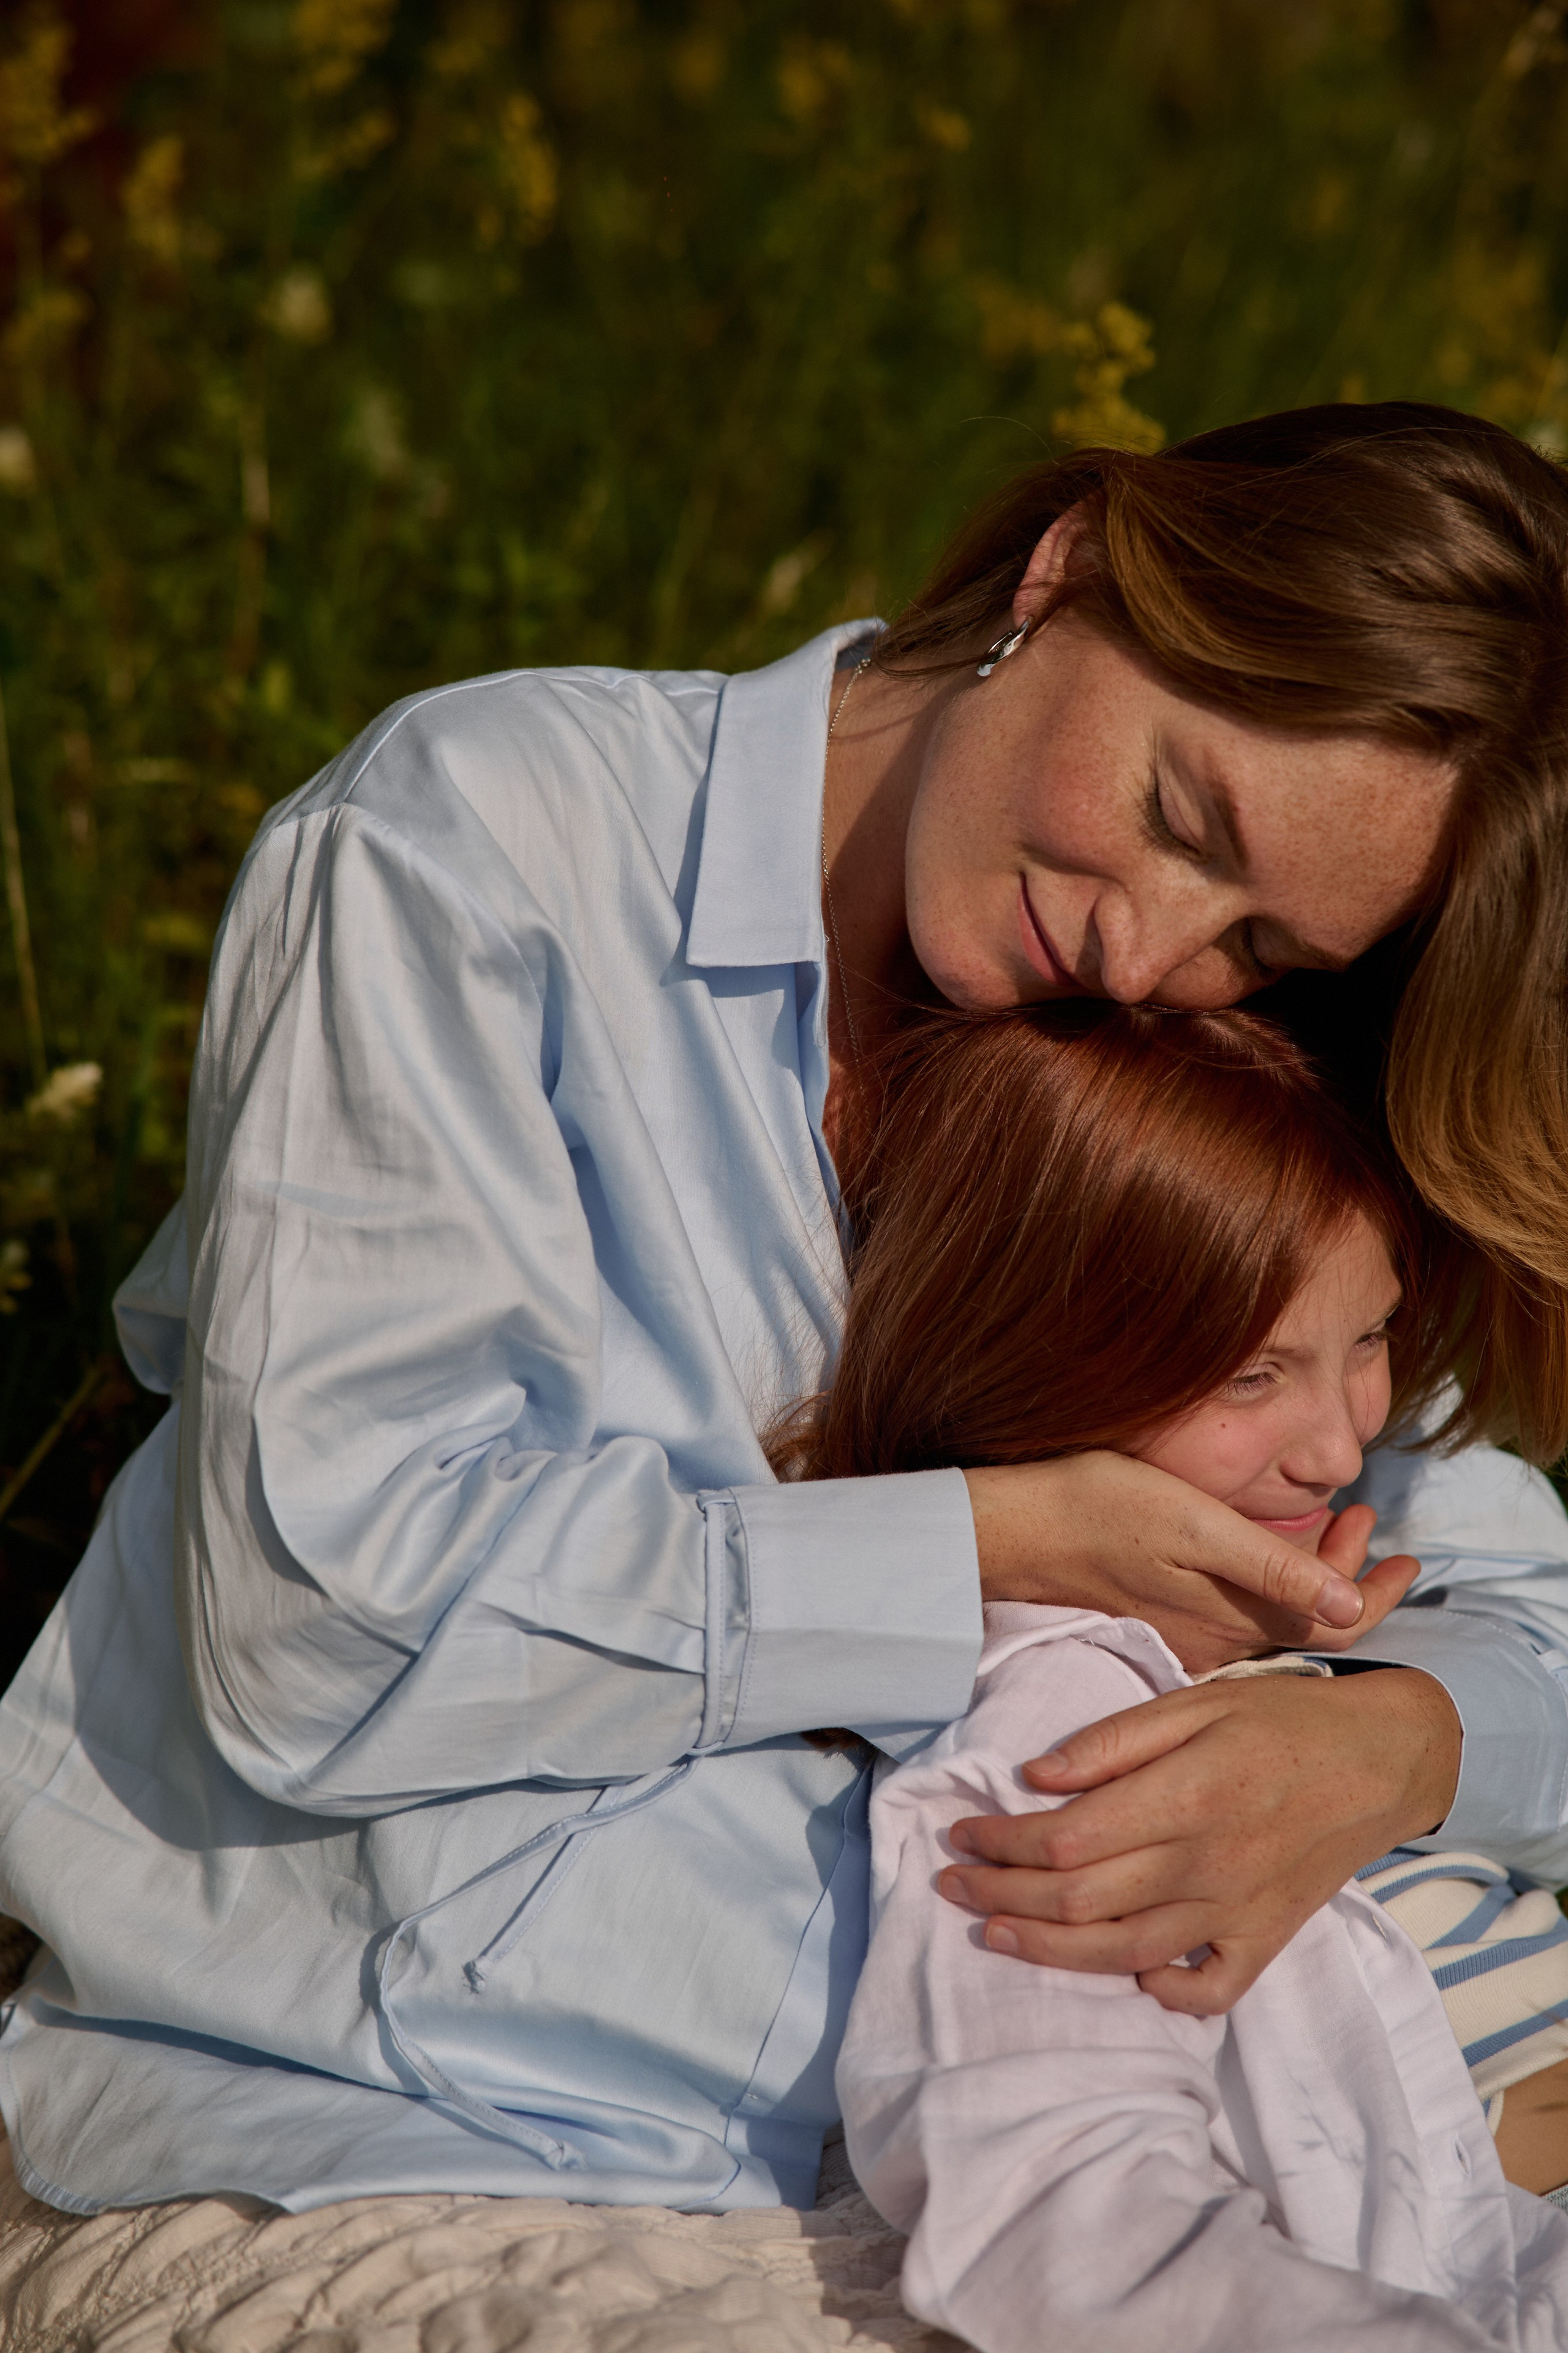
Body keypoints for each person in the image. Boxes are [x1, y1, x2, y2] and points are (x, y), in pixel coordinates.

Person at [1, 401, 1568, 2213]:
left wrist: (1385, 1745)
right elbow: (324, 1630)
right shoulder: (482, 848)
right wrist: (986, 1545)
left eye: (1262, 947)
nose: (1149, 958)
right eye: (1174, 813)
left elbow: (1513, 1601)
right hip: (398, 2113)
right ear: (1069, 573)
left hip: (988, 2136)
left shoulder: (1183, 1060)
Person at [822, 1004, 1568, 2347]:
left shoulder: (1360, 1570)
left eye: (1368, 1338)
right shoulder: (1054, 1723)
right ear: (1028, 1379)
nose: (1339, 1446)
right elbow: (1065, 2201)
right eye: (1247, 1374)